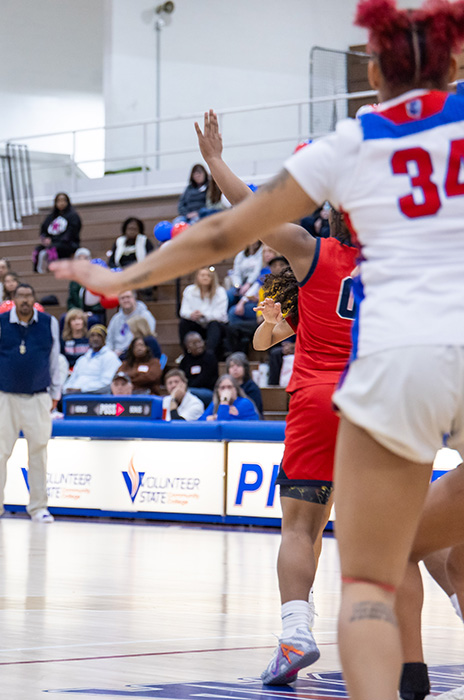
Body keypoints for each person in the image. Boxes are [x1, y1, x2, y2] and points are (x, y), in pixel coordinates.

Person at [51, 2, 464, 692]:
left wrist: (121, 276)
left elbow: (223, 234)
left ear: (372, 69)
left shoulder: (352, 145)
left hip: (389, 368)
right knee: (430, 541)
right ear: (451, 63)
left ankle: (352, 641)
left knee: (367, 576)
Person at [196, 105, 360, 683]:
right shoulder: (401, 264)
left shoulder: (312, 251)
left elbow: (252, 209)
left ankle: (295, 635)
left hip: (318, 397)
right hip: (378, 397)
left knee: (300, 527)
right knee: (409, 528)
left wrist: (215, 159)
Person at [0, 283, 62, 523]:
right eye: (20, 296)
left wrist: (56, 392)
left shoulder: (49, 323)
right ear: (13, 299)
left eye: (29, 295)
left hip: (38, 396)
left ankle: (39, 507)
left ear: (34, 299)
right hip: (4, 396)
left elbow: (55, 360)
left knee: (39, 453)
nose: (25, 300)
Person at [179, 267, 229, 357]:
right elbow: (183, 311)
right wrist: (191, 315)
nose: (205, 278)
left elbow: (222, 315)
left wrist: (205, 315)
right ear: (197, 277)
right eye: (202, 275)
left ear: (213, 278)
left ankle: (209, 355)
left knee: (214, 325)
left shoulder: (220, 291)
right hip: (196, 323)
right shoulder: (189, 290)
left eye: (208, 276)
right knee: (184, 323)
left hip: (214, 325)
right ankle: (187, 353)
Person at [63, 324, 121, 395]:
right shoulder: (83, 359)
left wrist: (82, 389)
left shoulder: (110, 357)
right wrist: (66, 388)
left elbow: (107, 383)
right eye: (92, 336)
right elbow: (73, 378)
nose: (95, 338)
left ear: (104, 338)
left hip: (95, 396)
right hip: (75, 395)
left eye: (99, 336)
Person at [33, 192, 81, 272]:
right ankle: (38, 272)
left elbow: (71, 232)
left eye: (63, 201)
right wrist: (45, 239)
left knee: (56, 248)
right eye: (58, 201)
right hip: (52, 243)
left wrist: (55, 240)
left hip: (68, 243)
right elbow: (44, 230)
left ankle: (55, 269)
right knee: (38, 249)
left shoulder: (73, 216)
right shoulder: (51, 217)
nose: (61, 203)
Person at [106, 290, 156, 358]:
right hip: (116, 354)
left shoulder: (145, 315)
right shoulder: (116, 319)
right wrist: (111, 353)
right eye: (122, 298)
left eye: (128, 297)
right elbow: (109, 340)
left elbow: (148, 336)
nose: (126, 300)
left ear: (134, 298)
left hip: (136, 353)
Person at [65, 248, 106, 328]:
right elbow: (71, 301)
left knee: (92, 320)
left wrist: (89, 312)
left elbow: (100, 301)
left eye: (85, 258)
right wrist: (77, 313)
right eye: (79, 258)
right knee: (64, 318)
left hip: (93, 312)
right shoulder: (74, 281)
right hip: (77, 313)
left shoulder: (96, 277)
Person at [178, 331, 218, 403]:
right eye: (194, 343)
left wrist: (187, 387)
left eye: (200, 342)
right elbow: (181, 376)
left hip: (208, 391)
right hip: (190, 389)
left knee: (186, 393)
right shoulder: (185, 360)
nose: (198, 345)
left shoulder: (210, 357)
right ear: (187, 346)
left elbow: (205, 379)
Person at [225, 351, 263, 417]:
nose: (235, 369)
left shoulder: (252, 388)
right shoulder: (224, 387)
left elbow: (255, 411)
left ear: (245, 368)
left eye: (238, 365)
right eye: (231, 366)